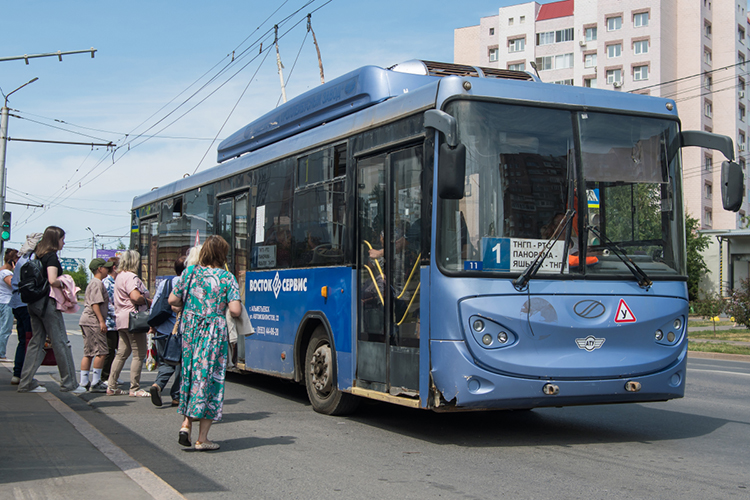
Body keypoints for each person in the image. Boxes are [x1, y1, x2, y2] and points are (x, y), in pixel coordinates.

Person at [169, 235, 241, 451]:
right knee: (210, 379)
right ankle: (203, 439)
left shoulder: (189, 272)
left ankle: (185, 425)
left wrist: (191, 305)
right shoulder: (227, 278)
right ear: (222, 254)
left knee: (190, 375)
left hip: (191, 331)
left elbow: (172, 300)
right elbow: (236, 310)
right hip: (213, 333)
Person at [18, 226, 86, 394]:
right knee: (61, 341)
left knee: (36, 341)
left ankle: (25, 382)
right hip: (48, 304)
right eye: (62, 239)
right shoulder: (51, 257)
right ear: (55, 240)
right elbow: (52, 280)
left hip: (34, 303)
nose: (64, 242)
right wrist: (66, 283)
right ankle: (69, 383)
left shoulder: (37, 255)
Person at [106, 249, 152, 397]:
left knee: (121, 353)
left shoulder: (119, 276)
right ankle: (135, 387)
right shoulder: (132, 277)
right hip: (133, 319)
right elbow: (135, 297)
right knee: (139, 354)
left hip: (121, 318)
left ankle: (111, 385)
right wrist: (149, 301)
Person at [148, 255, 187, 407]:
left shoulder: (166, 282)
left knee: (165, 362)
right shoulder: (187, 283)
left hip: (162, 329)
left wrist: (152, 325)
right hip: (178, 331)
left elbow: (155, 305)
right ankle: (176, 396)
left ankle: (157, 385)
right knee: (181, 363)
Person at [9, 233, 42, 385]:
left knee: (23, 340)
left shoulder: (22, 258)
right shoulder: (32, 260)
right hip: (26, 303)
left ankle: (18, 373)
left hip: (16, 302)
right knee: (31, 340)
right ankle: (26, 376)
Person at [78, 258, 114, 393]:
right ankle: (95, 381)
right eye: (106, 267)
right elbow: (95, 304)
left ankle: (84, 381)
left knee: (88, 352)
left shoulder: (94, 283)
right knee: (102, 351)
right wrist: (101, 321)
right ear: (99, 269)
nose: (108, 270)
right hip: (93, 320)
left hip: (87, 320)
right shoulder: (97, 283)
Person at [101, 257, 119, 382]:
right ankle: (104, 377)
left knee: (116, 350)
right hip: (109, 322)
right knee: (109, 350)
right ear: (114, 267)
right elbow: (107, 304)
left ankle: (111, 376)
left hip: (116, 322)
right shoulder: (107, 283)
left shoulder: (116, 281)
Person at [0, 249, 17, 361]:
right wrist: (16, 271)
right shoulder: (7, 273)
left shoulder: (1, 270)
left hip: (2, 301)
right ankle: (1, 353)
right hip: (6, 302)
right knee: (5, 329)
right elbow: (14, 284)